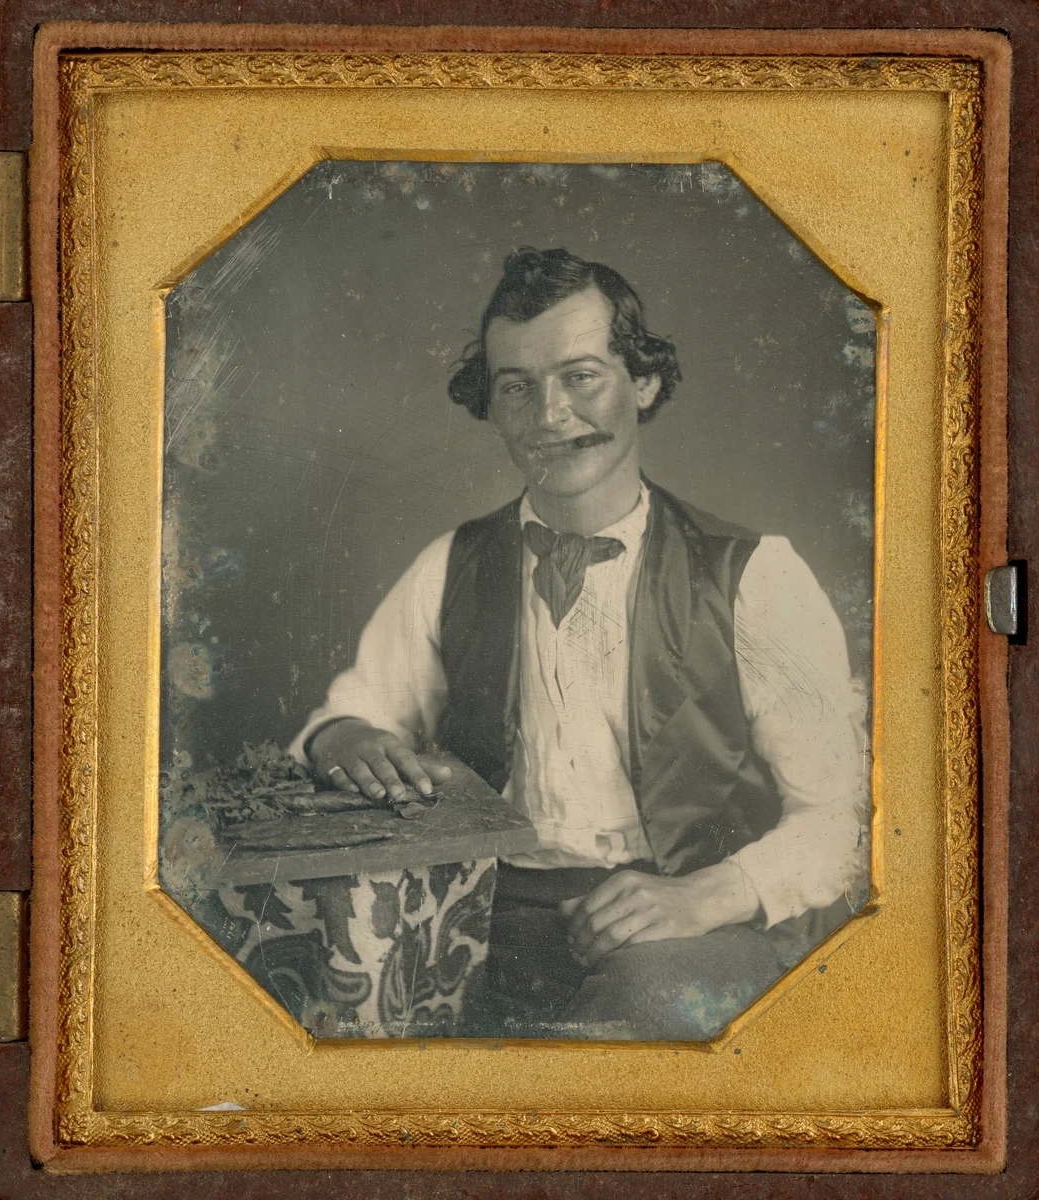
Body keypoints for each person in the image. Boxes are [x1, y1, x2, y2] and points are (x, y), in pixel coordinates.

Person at [290, 246, 869, 1041]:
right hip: (490, 922)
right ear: (491, 406)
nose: (549, 414)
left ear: (644, 382)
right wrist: (344, 738)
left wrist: (712, 894)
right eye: (516, 387)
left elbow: (845, 818)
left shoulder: (754, 575)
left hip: (693, 933)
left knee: (642, 1014)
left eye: (581, 376)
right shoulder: (452, 565)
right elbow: (346, 718)